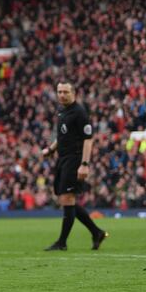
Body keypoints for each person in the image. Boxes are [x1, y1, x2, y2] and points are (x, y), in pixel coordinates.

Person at [41, 81, 109, 251]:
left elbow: (88, 139)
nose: (62, 95)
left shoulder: (79, 113)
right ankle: (96, 232)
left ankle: (62, 242)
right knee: (66, 199)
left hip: (75, 159)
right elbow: (62, 136)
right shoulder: (62, 112)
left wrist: (84, 164)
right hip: (63, 159)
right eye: (59, 92)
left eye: (65, 92)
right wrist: (51, 149)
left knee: (68, 198)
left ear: (74, 93)